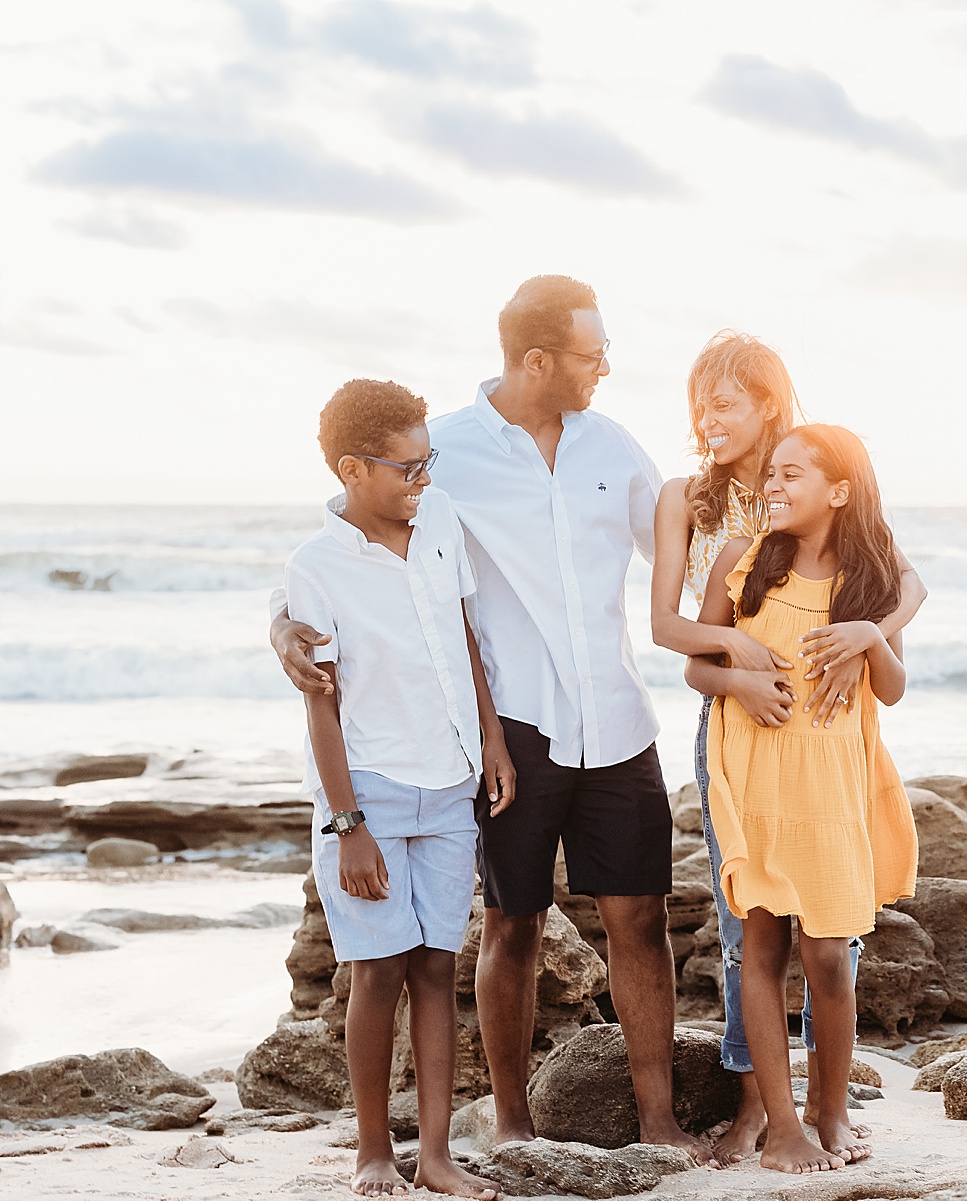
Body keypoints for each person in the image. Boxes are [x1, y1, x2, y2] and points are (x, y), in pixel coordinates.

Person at [272, 276, 706, 1161]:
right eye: (593, 354)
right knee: (513, 921)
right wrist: (282, 623)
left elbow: (680, 567)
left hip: (619, 720)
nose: (606, 369)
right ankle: (511, 1119)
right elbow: (357, 559)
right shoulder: (448, 455)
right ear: (538, 359)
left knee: (640, 918)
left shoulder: (617, 450)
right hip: (513, 726)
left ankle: (658, 1118)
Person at [649, 333, 926, 1164]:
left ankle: (814, 1108)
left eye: (724, 401)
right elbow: (672, 630)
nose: (706, 419)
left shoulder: (823, 478)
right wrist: (737, 668)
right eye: (697, 403)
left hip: (829, 758)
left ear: (768, 401)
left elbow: (908, 586)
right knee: (747, 933)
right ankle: (763, 1111)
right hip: (745, 735)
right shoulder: (703, 511)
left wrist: (870, 631)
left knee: (828, 943)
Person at [286, 379, 509, 1199]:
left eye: (428, 463)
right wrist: (347, 825)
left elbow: (463, 636)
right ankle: (373, 1150)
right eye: (406, 467)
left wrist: (491, 740)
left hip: (450, 780)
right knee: (377, 970)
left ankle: (438, 1153)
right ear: (352, 467)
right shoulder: (314, 569)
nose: (422, 480)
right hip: (370, 789)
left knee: (435, 967)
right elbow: (323, 702)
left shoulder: (439, 520)